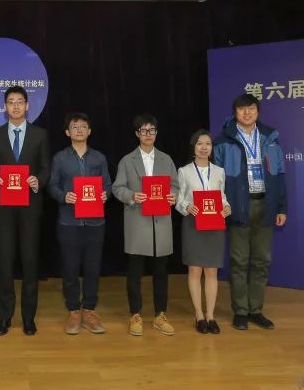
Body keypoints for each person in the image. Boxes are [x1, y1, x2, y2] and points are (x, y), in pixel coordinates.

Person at [214, 93, 288, 331]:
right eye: (242, 108)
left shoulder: (271, 138)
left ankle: (256, 309)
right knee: (238, 261)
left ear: (258, 111)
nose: (247, 113)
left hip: (265, 205)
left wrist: (281, 207)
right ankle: (241, 311)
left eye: (251, 108)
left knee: (261, 261)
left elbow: (280, 175)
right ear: (235, 112)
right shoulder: (223, 141)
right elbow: (216, 179)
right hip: (238, 205)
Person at [0, 85, 51, 336]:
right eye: (11, 102)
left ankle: (28, 318)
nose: (15, 106)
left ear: (27, 106)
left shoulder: (40, 135)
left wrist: (38, 180)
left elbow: (45, 168)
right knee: (4, 262)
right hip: (4, 207)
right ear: (5, 107)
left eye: (19, 102)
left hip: (30, 207)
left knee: (30, 262)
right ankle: (4, 317)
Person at [112, 114, 178, 337]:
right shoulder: (127, 160)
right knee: (135, 273)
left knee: (161, 272)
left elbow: (176, 186)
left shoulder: (166, 159)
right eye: (143, 130)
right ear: (137, 134)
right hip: (137, 221)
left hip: (161, 222)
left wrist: (173, 196)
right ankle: (135, 315)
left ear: (156, 133)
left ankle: (160, 315)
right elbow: (117, 188)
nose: (148, 134)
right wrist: (132, 195)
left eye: (152, 130)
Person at [48, 112, 111, 336]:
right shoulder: (60, 158)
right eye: (75, 127)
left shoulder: (99, 158)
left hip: (95, 222)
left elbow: (108, 185)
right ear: (67, 132)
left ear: (89, 131)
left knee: (93, 268)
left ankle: (90, 310)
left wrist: (105, 195)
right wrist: (64, 196)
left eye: (83, 126)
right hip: (69, 222)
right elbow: (52, 186)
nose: (79, 130)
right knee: (70, 268)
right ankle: (74, 310)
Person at [175, 129, 231, 335]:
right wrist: (186, 206)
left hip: (215, 223)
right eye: (200, 143)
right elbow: (179, 199)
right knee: (195, 270)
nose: (204, 147)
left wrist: (227, 207)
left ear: (212, 148)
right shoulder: (184, 171)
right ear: (193, 147)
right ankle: (199, 315)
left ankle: (211, 316)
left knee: (212, 271)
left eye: (208, 143)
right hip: (193, 223)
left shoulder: (219, 171)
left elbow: (222, 196)